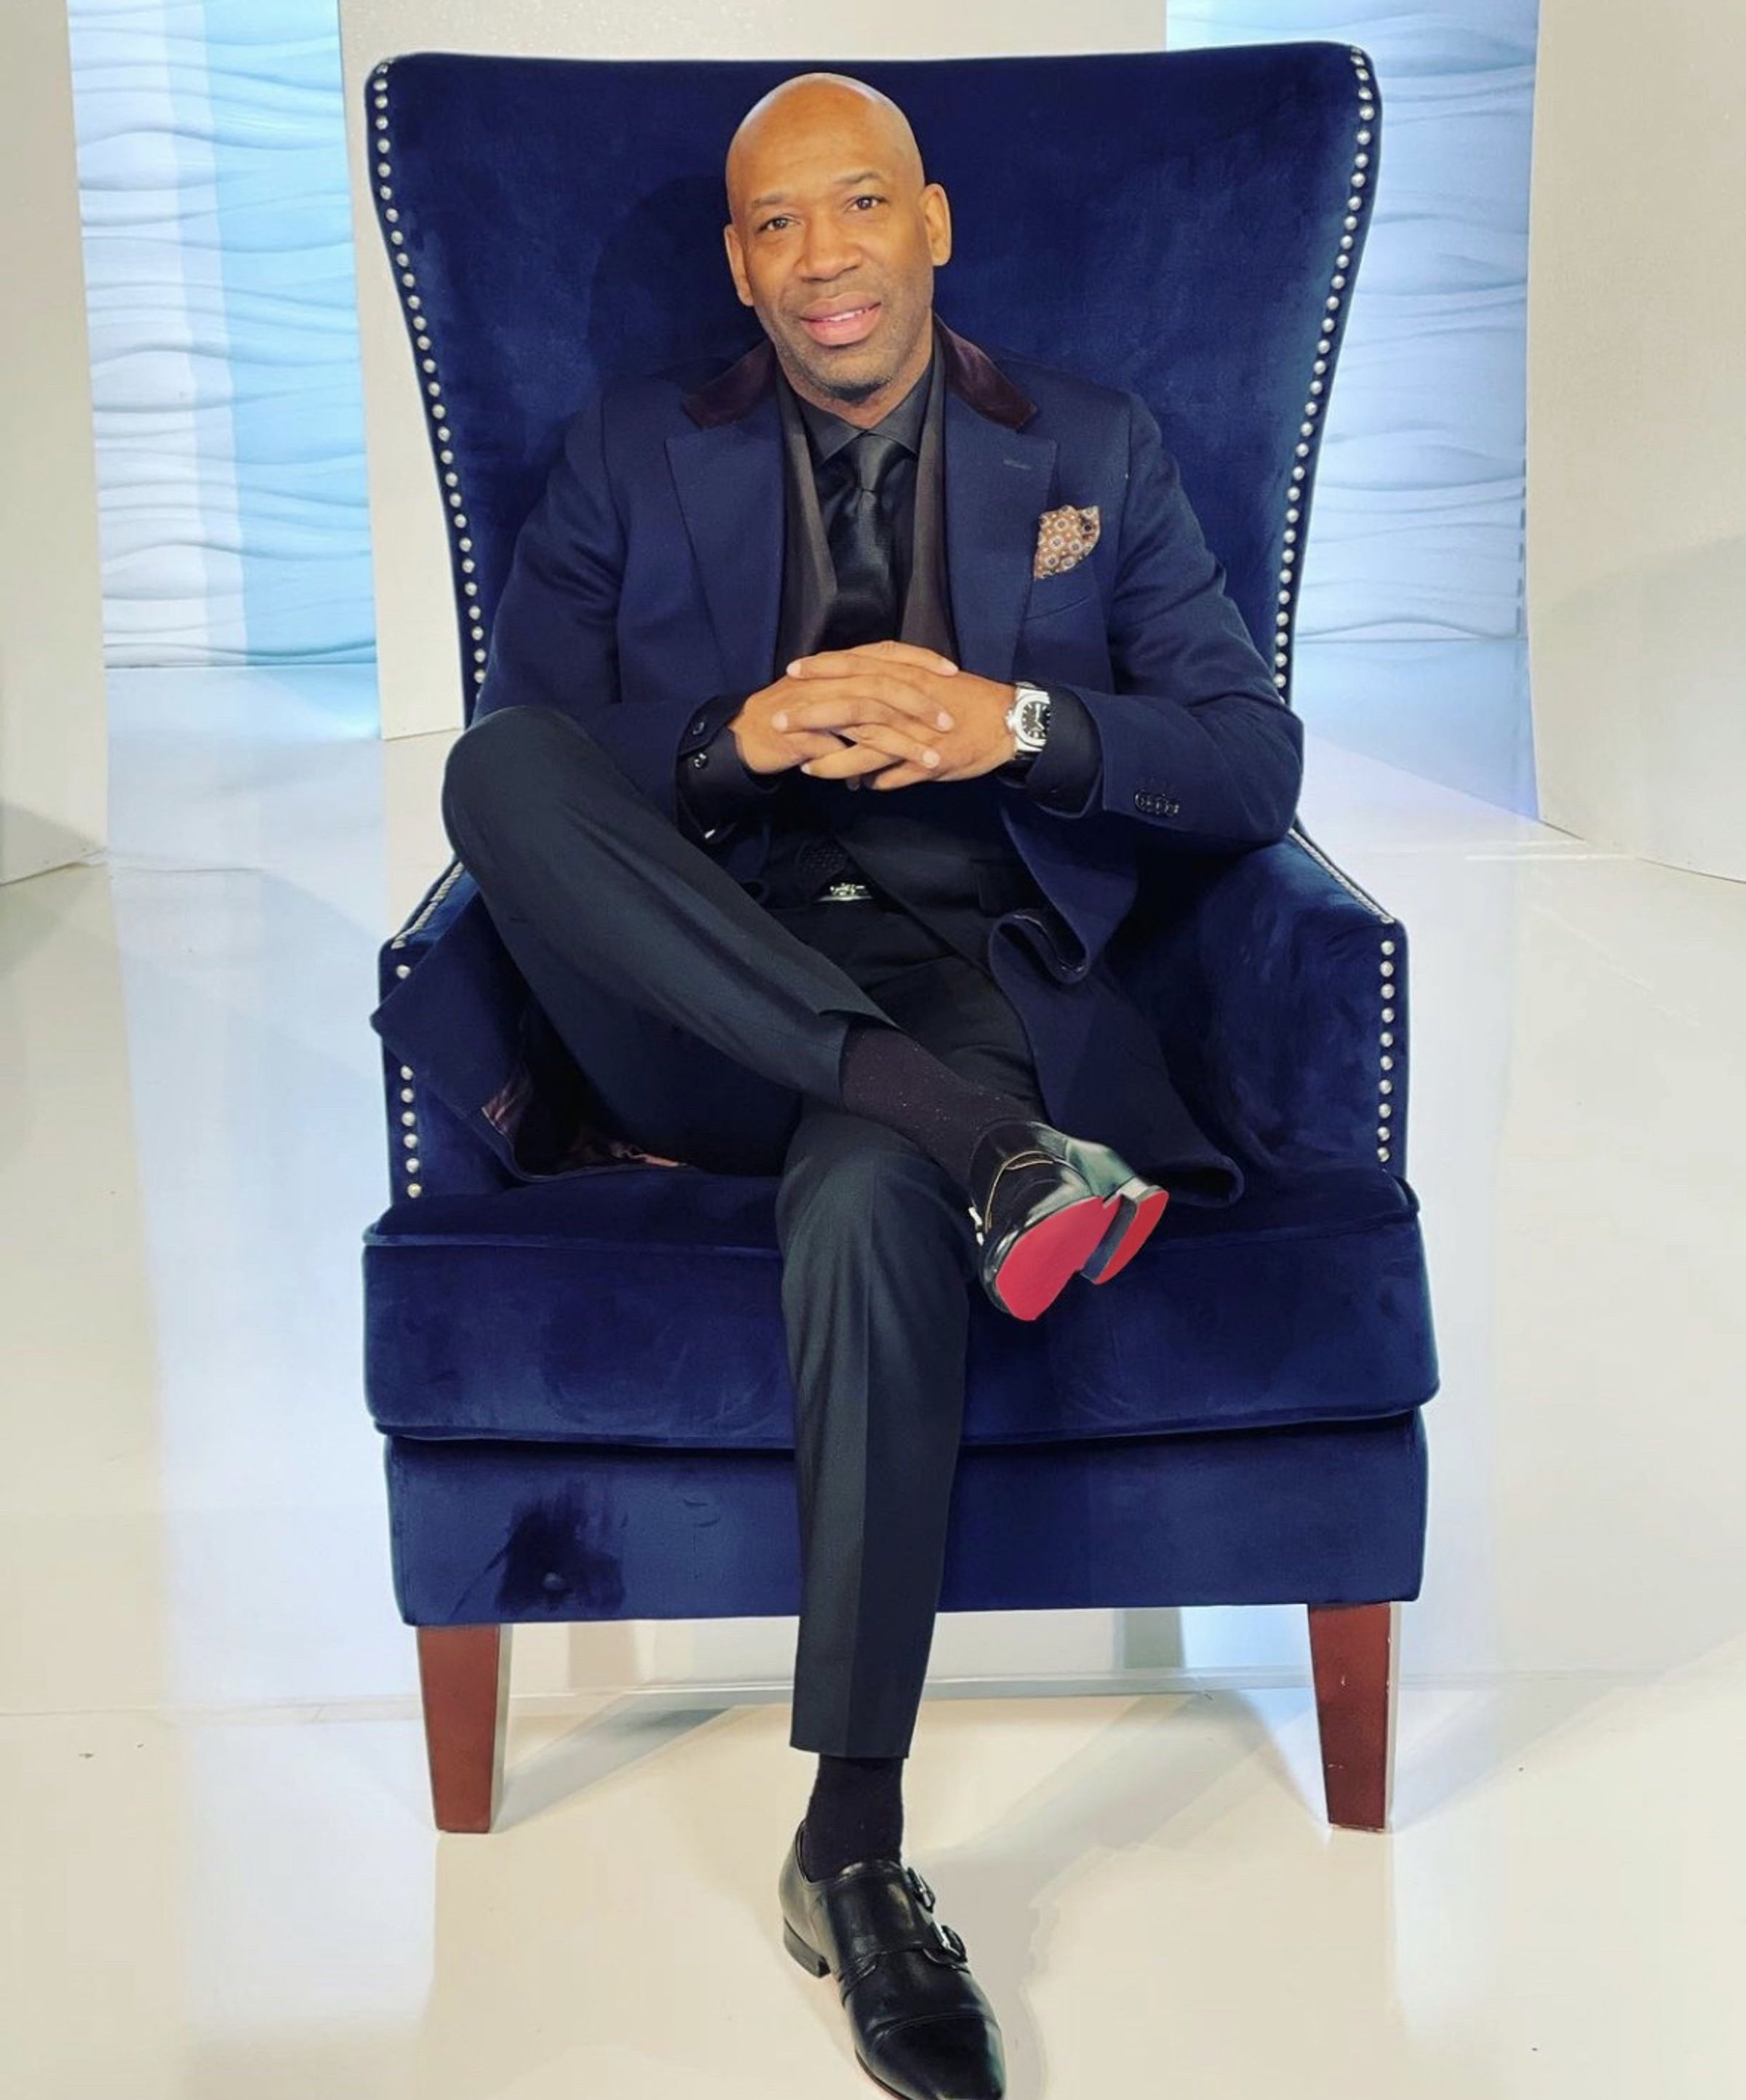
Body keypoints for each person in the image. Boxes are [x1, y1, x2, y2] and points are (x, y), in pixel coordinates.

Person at [436, 68, 1301, 2100]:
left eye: (857, 207)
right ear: (739, 266)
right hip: (696, 987)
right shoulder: (630, 448)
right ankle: (983, 1149)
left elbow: (1250, 760)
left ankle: (852, 1848)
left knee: (860, 1200)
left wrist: (1018, 724)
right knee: (493, 773)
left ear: (932, 223)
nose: (822, 258)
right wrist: (731, 742)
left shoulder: (1095, 446)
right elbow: (533, 760)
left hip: (974, 981)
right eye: (775, 224)